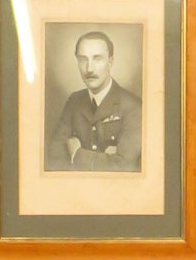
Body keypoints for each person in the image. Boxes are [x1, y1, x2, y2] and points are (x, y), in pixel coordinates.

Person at [45, 30, 142, 171]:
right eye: (83, 59)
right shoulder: (74, 101)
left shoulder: (134, 107)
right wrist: (104, 159)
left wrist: (77, 155)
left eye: (97, 59)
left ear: (110, 62)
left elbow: (123, 166)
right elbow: (54, 158)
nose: (89, 69)